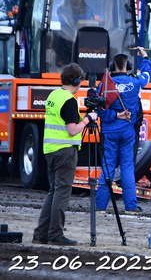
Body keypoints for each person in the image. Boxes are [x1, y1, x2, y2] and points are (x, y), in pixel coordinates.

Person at [33, 63, 98, 246]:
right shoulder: (69, 100)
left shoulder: (54, 95)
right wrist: (88, 119)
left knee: (53, 191)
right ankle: (55, 235)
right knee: (61, 192)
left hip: (51, 150)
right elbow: (72, 130)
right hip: (64, 151)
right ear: (77, 81)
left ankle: (41, 234)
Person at [95, 47, 151, 214]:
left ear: (113, 66)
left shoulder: (105, 85)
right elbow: (147, 75)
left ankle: (100, 206)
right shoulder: (135, 82)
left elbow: (99, 110)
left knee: (107, 167)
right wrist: (145, 57)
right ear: (129, 66)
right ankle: (131, 206)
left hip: (109, 132)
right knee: (127, 168)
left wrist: (115, 115)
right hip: (128, 133)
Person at [55, 0, 95, 66]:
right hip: (68, 37)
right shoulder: (63, 10)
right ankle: (61, 62)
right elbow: (64, 22)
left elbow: (90, 22)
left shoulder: (88, 10)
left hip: (84, 37)